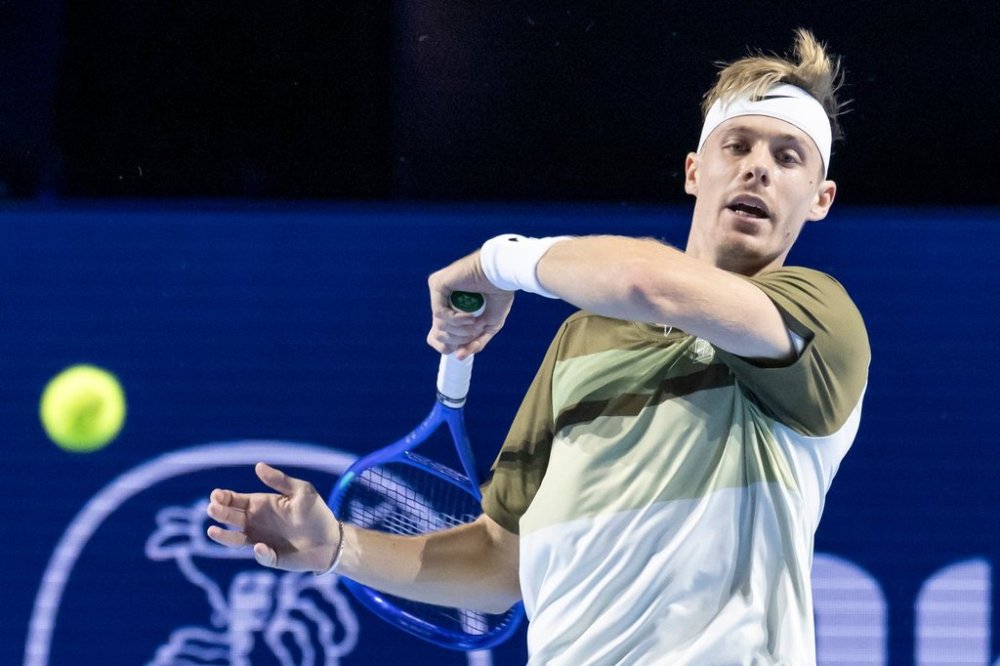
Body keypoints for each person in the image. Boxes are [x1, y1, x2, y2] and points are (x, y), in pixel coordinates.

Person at [207, 28, 870, 664]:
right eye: (739, 146)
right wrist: (337, 547)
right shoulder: (584, 338)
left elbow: (648, 282)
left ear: (820, 199)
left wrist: (498, 262)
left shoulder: (819, 316)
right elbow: (501, 561)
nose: (758, 168)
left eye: (788, 158)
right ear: (695, 171)